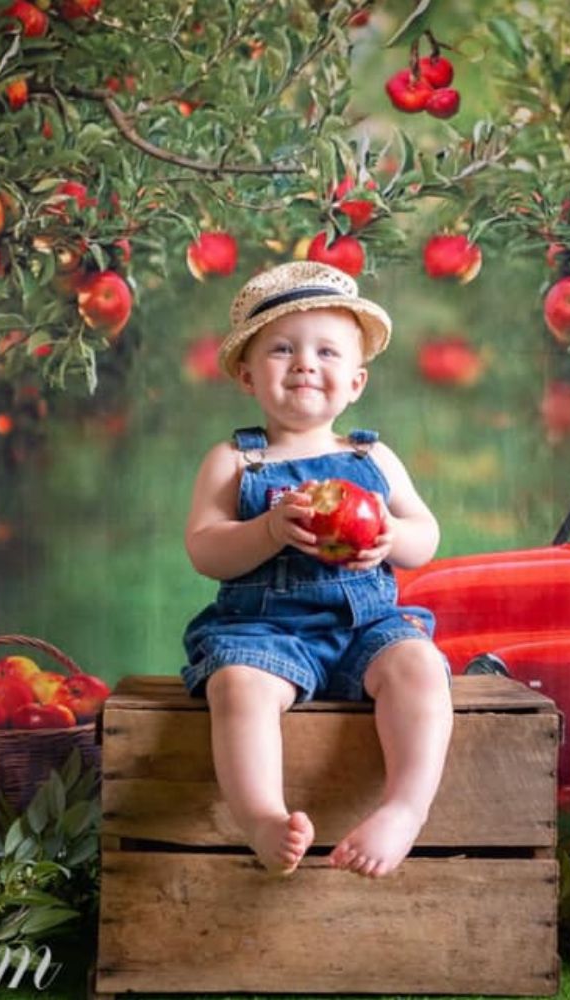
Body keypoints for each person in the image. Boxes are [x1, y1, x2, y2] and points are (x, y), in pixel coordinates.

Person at [181, 261, 453, 879]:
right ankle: (261, 817)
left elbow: (425, 537)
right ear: (248, 375)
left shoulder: (372, 456)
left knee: (420, 666)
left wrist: (390, 537)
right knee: (237, 687)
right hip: (265, 632)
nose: (305, 363)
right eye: (282, 349)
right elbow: (204, 548)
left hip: (366, 626)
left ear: (355, 382)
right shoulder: (235, 460)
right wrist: (268, 530)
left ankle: (405, 810)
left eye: (326, 351)